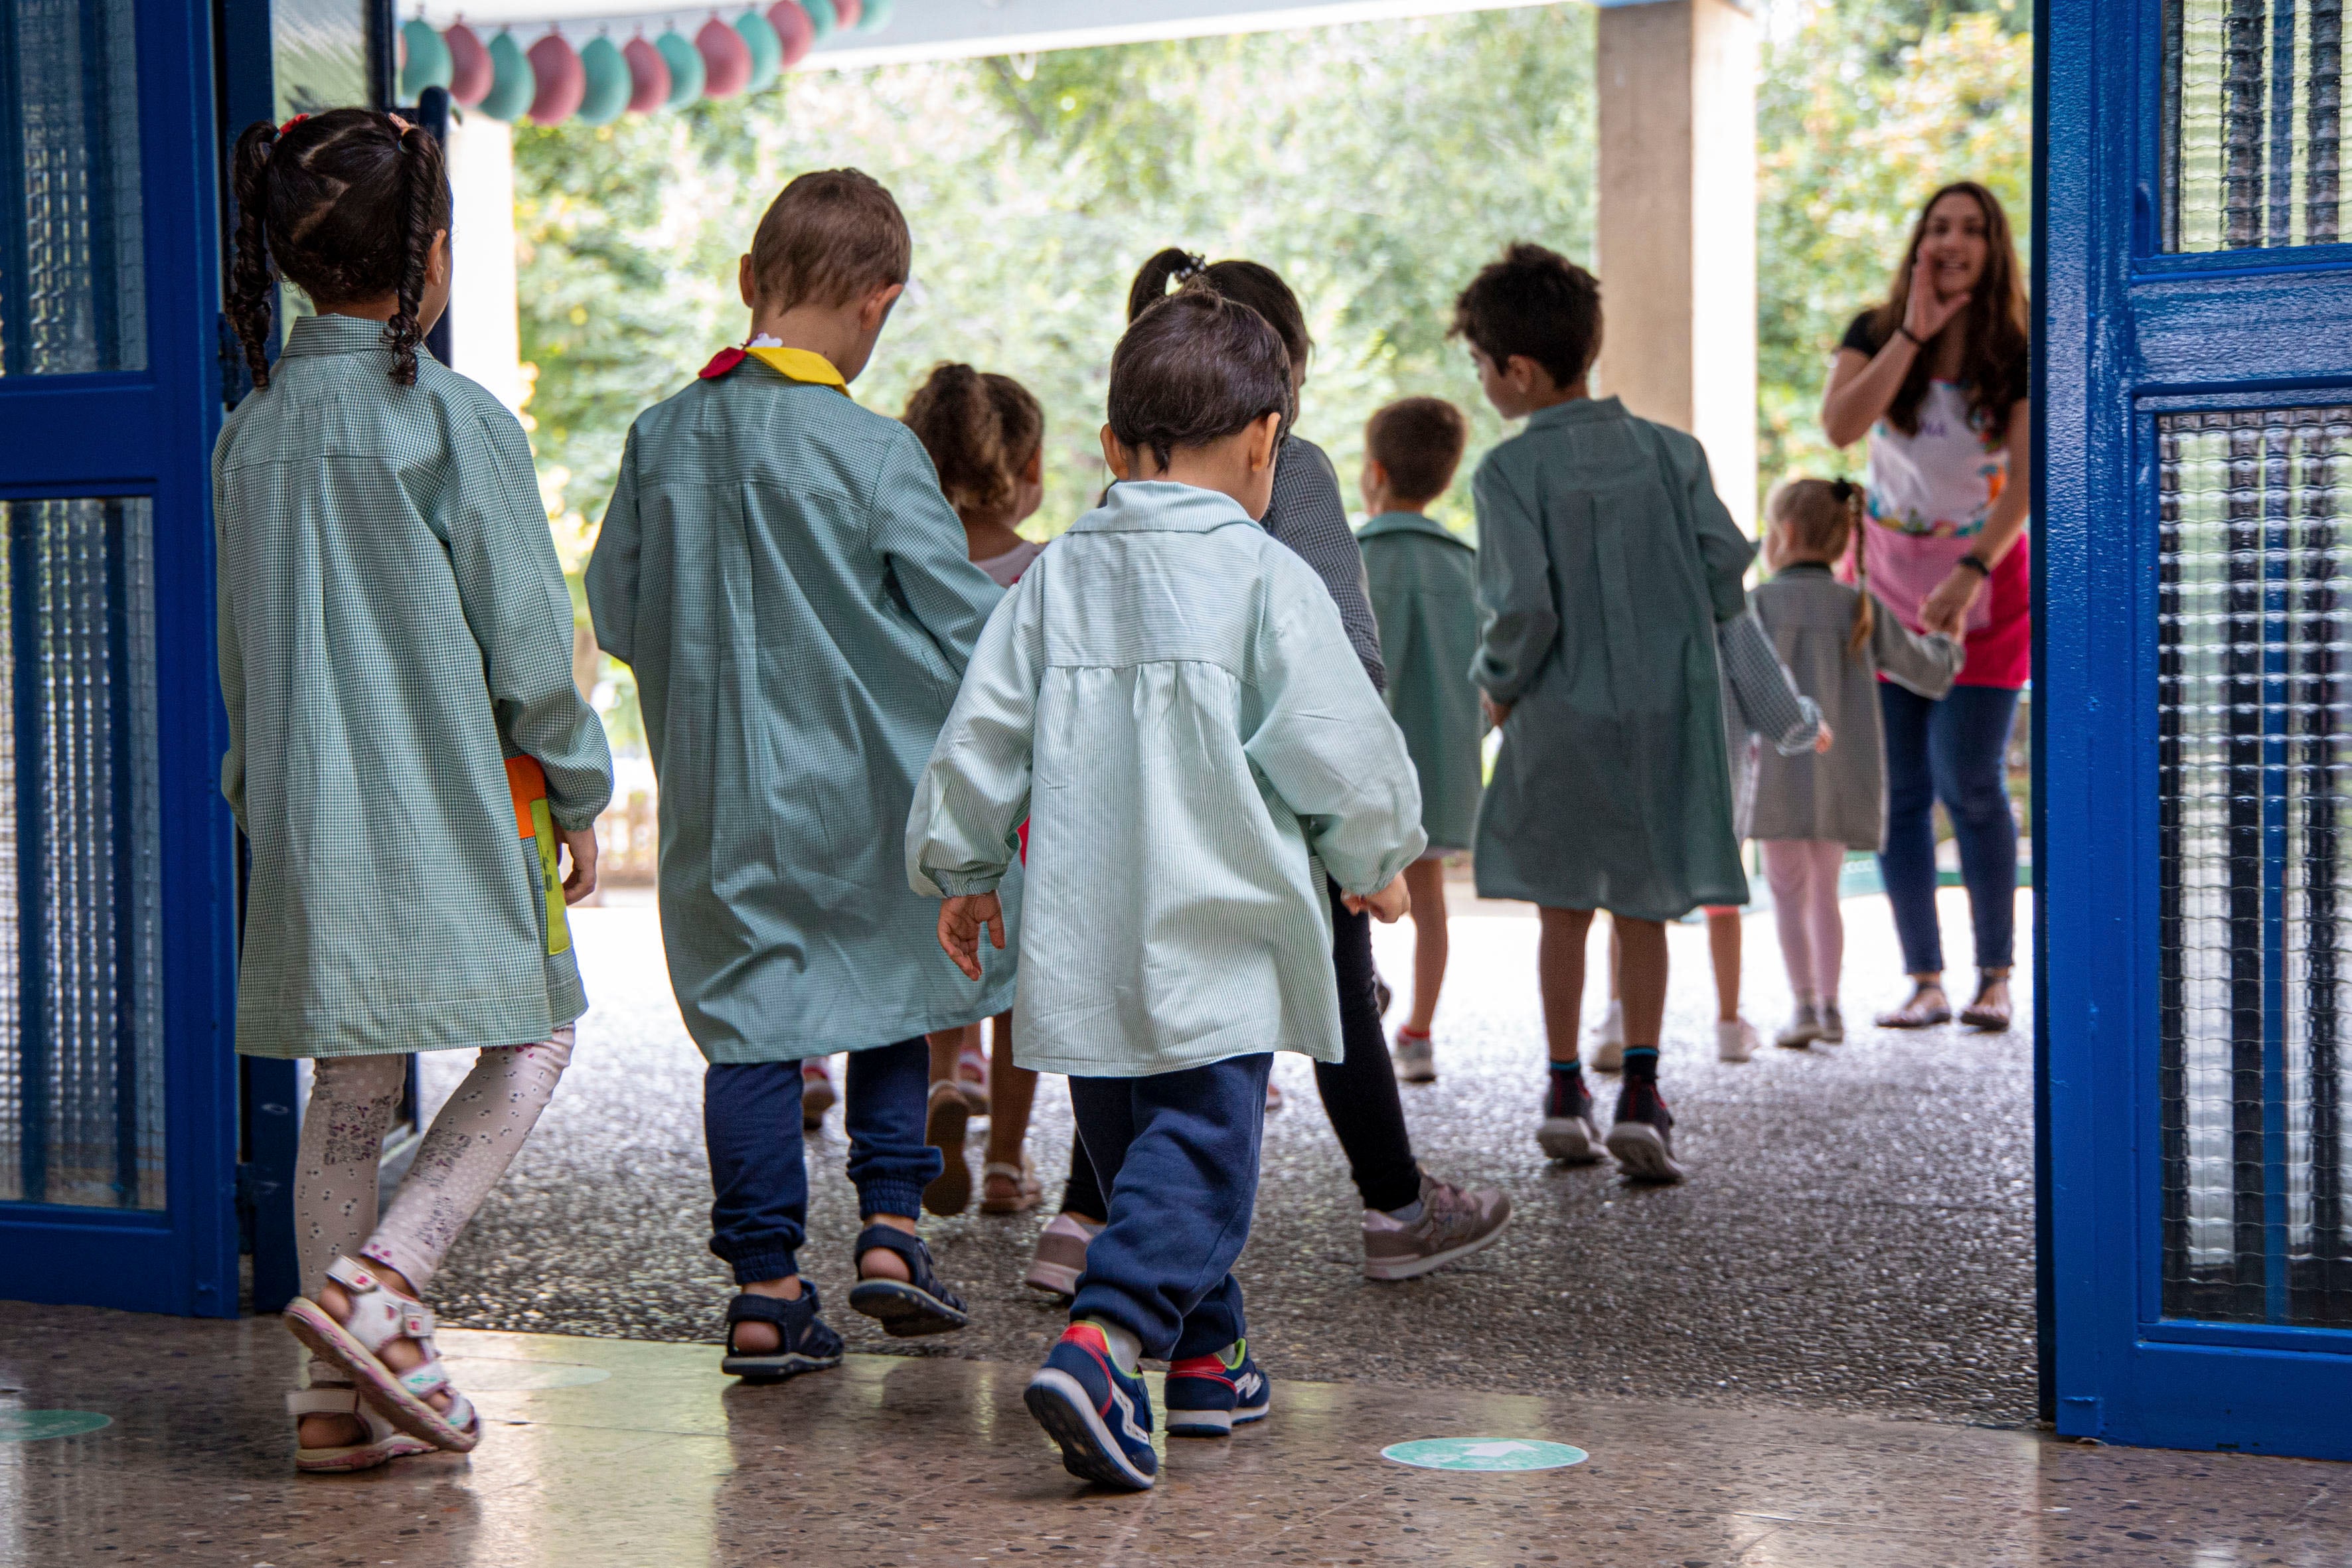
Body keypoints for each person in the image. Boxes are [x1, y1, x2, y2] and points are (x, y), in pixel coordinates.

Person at [907, 281, 1425, 1490]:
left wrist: (966, 860)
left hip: (1085, 940)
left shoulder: (1054, 579)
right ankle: (1106, 1342)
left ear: (1106, 451)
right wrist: (1379, 859)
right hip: (1219, 942)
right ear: (1264, 445)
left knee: (1145, 1157)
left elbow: (980, 731)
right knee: (1200, 1159)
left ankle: (1209, 1360)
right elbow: (1334, 743)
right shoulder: (1264, 578)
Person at [216, 110, 613, 1472]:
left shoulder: (246, 435)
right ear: (428, 259)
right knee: (541, 1034)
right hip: (459, 807)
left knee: (348, 1080)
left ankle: (327, 1404)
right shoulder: (452, 424)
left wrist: (249, 784)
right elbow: (526, 646)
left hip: (310, 818)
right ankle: (384, 1281)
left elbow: (237, 654)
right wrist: (578, 785)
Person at [586, 169, 1002, 1381]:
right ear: (880, 305)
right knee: (890, 995)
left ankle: (763, 1294)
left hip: (723, 802)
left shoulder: (661, 435)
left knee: (752, 1032)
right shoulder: (875, 453)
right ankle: (889, 1233)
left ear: (747, 284)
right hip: (870, 793)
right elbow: (960, 623)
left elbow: (617, 608)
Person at [1108, 249, 1510, 1282]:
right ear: (1274, 399)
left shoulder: (1111, 512)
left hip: (1147, 815)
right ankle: (1394, 1205)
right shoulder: (1300, 471)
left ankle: (1088, 1223)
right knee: (1334, 1014)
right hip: (1282, 815)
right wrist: (1365, 847)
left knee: (1126, 1018)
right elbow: (1344, 668)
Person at [1455, 242, 1753, 1184]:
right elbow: (1721, 566)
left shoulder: (1506, 475)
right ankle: (1639, 1091)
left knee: (1562, 909)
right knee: (1641, 908)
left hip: (1555, 718)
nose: (1482, 383)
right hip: (1663, 714)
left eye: (1482, 366)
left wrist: (1495, 682)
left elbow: (1522, 606)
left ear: (1519, 370)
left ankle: (1557, 1090)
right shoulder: (1672, 453)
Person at [1819, 180, 2031, 1034]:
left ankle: (1994, 974)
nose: (1952, 242)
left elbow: (2024, 479)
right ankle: (1925, 978)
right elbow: (1841, 424)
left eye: (1972, 229)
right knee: (1900, 791)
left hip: (1984, 588)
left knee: (1970, 781)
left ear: (1994, 246)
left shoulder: (2017, 345)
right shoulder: (1875, 330)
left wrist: (1974, 569)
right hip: (1883, 589)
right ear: (1918, 243)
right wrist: (1912, 331)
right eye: (1938, 227)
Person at [901, 361, 1050, 1217]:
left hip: (931, 801)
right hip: (1024, 815)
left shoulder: (909, 566)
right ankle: (1005, 1164)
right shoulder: (1044, 570)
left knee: (942, 963)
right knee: (1020, 993)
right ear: (1026, 470)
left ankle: (938, 1086)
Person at [1749, 479, 1964, 1046]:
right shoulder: (1858, 605)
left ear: (1786, 534)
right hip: (1844, 772)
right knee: (1825, 890)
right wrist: (1949, 642)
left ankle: (1803, 1009)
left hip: (1775, 770)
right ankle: (1830, 1004)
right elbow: (1926, 669)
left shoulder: (1758, 605)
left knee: (1785, 888)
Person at [1592, 611, 1830, 1066]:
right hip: (1713, 782)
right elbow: (1771, 701)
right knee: (1721, 901)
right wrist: (1807, 723)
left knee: (1629, 899)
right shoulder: (1722, 603)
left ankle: (1617, 1020)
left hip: (1635, 767)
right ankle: (1727, 1025)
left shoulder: (1620, 579)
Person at [1356, 397, 1480, 1084]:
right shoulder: (1465, 564)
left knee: (1345, 885)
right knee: (1431, 903)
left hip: (1365, 773)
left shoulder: (1352, 558)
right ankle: (1420, 1033)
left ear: (1374, 472)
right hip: (1441, 767)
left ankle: (1363, 986)